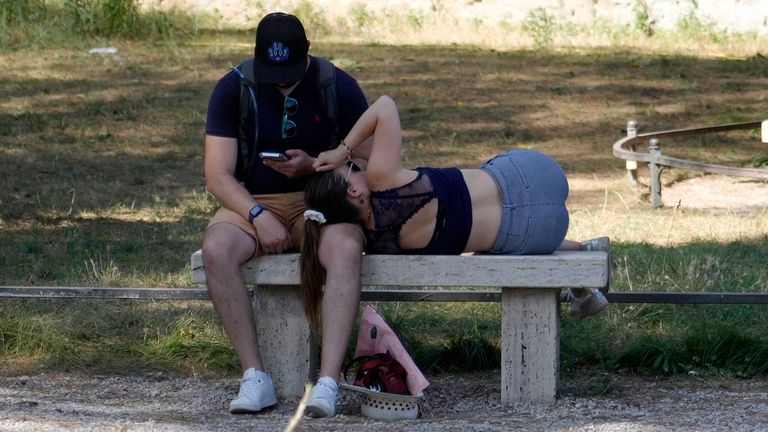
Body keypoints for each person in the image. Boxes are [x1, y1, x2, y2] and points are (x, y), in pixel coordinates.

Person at [300, 95, 610, 324]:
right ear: (354, 191)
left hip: (539, 232)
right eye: (351, 169)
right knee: (484, 179)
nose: (359, 166)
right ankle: (586, 261)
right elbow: (384, 106)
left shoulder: (377, 243)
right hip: (533, 175)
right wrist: (342, 152)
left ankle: (584, 251)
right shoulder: (382, 179)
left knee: (490, 244)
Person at [201, 12, 372, 418]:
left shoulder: (339, 86)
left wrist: (314, 166)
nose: (282, 82)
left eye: (290, 74)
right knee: (216, 250)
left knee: (345, 249)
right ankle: (255, 376)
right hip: (251, 200)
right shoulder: (232, 88)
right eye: (273, 74)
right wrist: (257, 212)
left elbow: (365, 167)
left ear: (308, 55)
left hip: (320, 197)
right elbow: (216, 175)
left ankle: (328, 382)